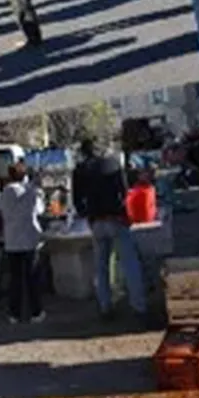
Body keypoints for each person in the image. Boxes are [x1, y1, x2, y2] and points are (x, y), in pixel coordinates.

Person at [72, 138, 147, 322]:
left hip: (96, 221)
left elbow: (77, 200)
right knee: (130, 265)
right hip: (117, 219)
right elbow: (124, 191)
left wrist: (88, 214)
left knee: (101, 267)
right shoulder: (113, 164)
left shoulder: (80, 170)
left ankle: (105, 307)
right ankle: (138, 307)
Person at [0, 160, 47, 323]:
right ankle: (36, 312)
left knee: (15, 279)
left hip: (12, 240)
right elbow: (40, 210)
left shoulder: (4, 193)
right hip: (29, 239)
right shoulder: (31, 192)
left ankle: (14, 313)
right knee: (32, 278)